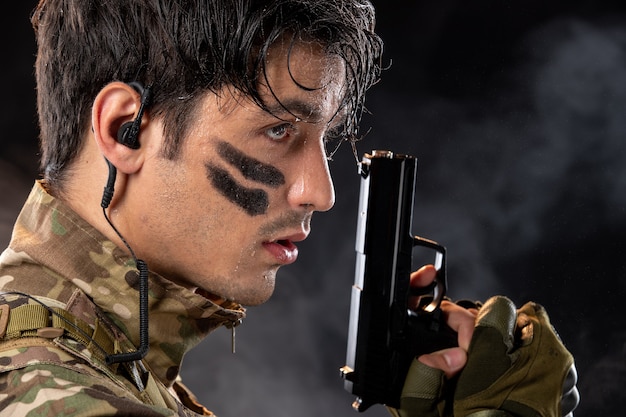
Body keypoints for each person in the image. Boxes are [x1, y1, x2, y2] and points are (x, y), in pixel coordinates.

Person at [0, 0, 578, 416]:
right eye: (278, 130)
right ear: (126, 129)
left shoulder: (115, 360)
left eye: (324, 141)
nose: (320, 192)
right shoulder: (49, 391)